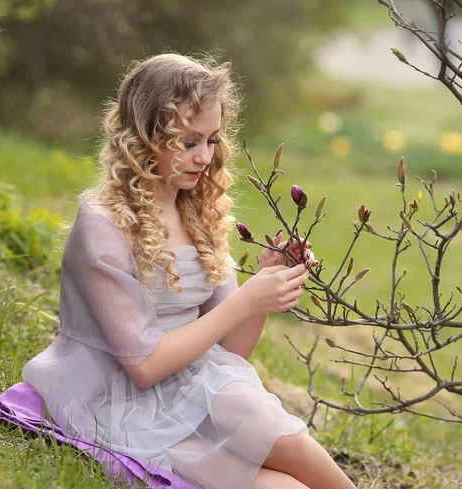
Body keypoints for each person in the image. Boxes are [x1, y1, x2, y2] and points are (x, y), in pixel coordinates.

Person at [22, 52, 357, 489]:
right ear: (143, 138)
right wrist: (247, 299)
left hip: (195, 382)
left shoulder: (197, 210)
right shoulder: (102, 227)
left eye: (212, 140)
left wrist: (261, 284)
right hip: (118, 396)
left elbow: (232, 350)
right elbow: (143, 366)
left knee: (284, 436)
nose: (204, 157)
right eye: (189, 142)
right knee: (285, 487)